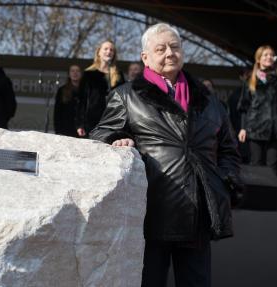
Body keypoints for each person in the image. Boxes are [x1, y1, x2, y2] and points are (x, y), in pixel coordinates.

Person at [90, 23, 241, 287]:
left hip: (199, 213)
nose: (170, 53)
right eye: (160, 48)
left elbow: (229, 149)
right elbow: (100, 136)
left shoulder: (209, 100)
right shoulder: (126, 97)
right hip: (151, 211)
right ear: (145, 57)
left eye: (175, 47)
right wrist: (117, 139)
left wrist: (226, 181)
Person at [237, 45, 277, 170]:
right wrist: (243, 128)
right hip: (255, 129)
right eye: (266, 55)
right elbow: (244, 106)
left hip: (274, 130)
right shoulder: (250, 80)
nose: (269, 57)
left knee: (273, 167)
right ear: (259, 59)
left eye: (271, 55)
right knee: (256, 166)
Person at [75, 40, 125, 137]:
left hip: (112, 120)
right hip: (91, 121)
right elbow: (81, 100)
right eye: (105, 49)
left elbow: (123, 100)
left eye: (111, 50)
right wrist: (79, 124)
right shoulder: (88, 74)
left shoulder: (119, 75)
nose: (109, 51)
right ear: (99, 52)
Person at [228, 69, 251, 163]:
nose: (248, 78)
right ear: (241, 77)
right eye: (246, 75)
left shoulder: (259, 90)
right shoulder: (236, 94)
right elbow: (233, 114)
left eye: (250, 75)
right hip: (241, 129)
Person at [54, 65, 81, 137]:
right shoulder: (62, 90)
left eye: (77, 71)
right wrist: (58, 131)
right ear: (69, 74)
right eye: (72, 71)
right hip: (65, 130)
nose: (75, 73)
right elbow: (57, 112)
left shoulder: (86, 90)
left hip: (81, 130)